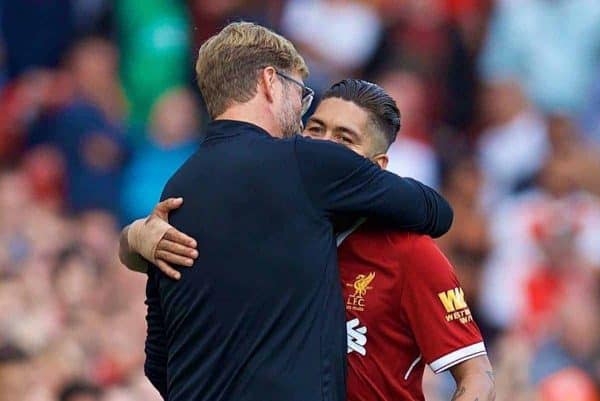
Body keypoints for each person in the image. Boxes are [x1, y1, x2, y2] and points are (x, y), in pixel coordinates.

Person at [118, 22, 453, 401]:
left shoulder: (177, 190)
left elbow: (158, 360)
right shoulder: (307, 164)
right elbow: (434, 211)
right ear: (269, 82)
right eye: (300, 94)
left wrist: (130, 239)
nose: (301, 113)